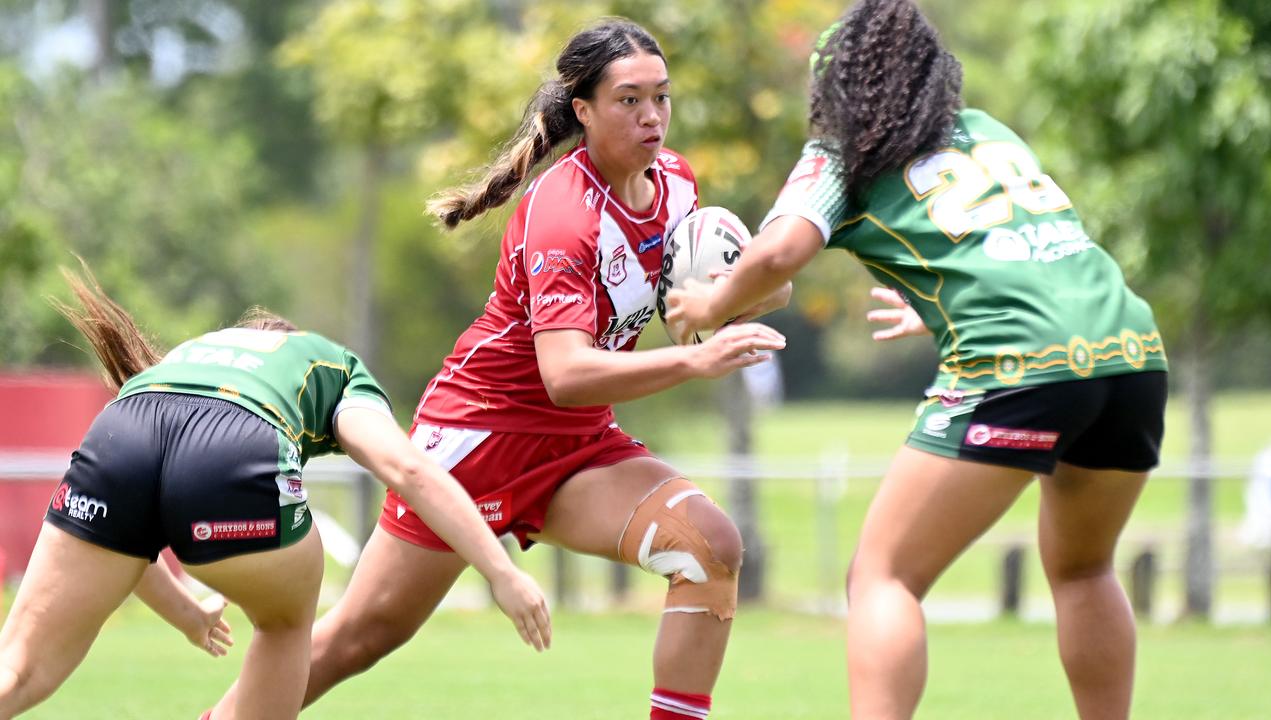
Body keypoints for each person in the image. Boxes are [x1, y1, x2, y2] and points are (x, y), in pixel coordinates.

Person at [209, 18, 789, 720]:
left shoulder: (677, 185)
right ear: (583, 110)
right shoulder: (564, 211)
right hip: (475, 441)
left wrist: (746, 285)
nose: (652, 117)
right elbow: (565, 374)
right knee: (360, 639)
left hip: (577, 444)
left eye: (661, 98)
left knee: (708, 546)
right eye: (629, 100)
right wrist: (696, 359)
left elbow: (701, 296)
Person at [664, 1, 1169, 718]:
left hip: (1019, 362)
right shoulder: (987, 132)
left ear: (836, 88)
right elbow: (1018, 247)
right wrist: (947, 308)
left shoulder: (845, 154)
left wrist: (707, 308)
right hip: (1132, 352)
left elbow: (778, 253)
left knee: (882, 578)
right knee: (1086, 570)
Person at [0, 265, 550, 720]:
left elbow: (120, 540)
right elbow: (407, 468)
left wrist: (188, 613)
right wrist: (502, 574)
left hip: (120, 431)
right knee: (286, 623)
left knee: (21, 670)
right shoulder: (331, 364)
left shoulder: (193, 352)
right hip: (235, 443)